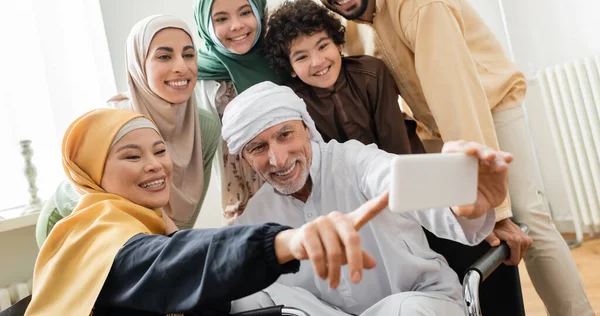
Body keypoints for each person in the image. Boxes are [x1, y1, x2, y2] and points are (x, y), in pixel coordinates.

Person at [284, 0, 592, 314]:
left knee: (528, 222)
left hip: (490, 106)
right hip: (433, 126)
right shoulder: (349, 20)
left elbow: (459, 99)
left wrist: (494, 209)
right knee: (457, 228)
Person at [25, 108, 390, 315]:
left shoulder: (147, 223)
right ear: (91, 171)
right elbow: (176, 261)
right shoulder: (99, 235)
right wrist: (286, 243)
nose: (155, 166)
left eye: (159, 150)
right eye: (132, 156)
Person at [223, 82, 511, 316]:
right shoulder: (257, 214)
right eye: (258, 148)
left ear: (306, 129)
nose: (278, 159)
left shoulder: (357, 162)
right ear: (245, 159)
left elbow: (395, 179)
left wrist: (462, 203)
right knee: (243, 298)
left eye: (285, 135)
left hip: (417, 303)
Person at [35, 15, 220, 247]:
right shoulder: (118, 119)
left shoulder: (205, 125)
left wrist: (174, 244)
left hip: (144, 231)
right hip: (75, 217)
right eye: (164, 56)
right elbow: (88, 191)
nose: (181, 67)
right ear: (138, 63)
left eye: (188, 55)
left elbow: (189, 204)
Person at [264, 0, 423, 155]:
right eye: (302, 57)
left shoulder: (372, 74)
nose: (318, 61)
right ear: (290, 68)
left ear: (339, 44)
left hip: (403, 167)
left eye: (323, 46)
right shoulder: (294, 103)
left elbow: (396, 144)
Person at [193, 0, 284, 224]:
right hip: (242, 203)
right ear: (205, 24)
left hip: (299, 185)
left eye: (245, 12)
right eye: (221, 19)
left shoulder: (283, 58)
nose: (236, 26)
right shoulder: (197, 77)